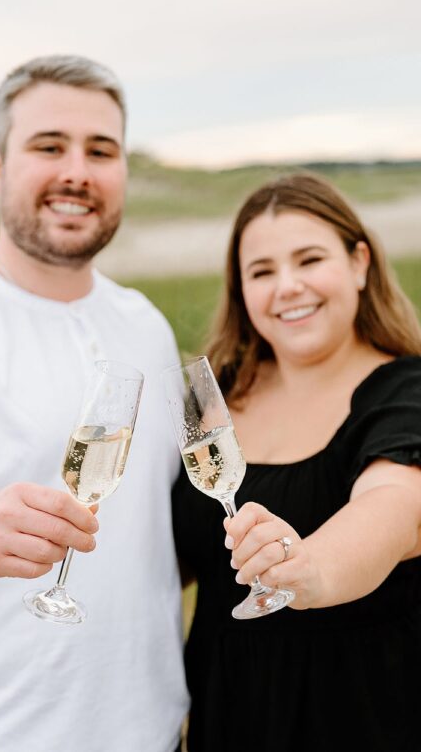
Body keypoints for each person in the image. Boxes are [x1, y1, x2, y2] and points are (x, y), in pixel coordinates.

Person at [0, 56, 188, 752]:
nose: (78, 171)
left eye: (102, 150)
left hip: (150, 731)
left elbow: (154, 532)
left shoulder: (147, 324)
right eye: (48, 146)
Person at [172, 173, 421, 751]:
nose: (287, 286)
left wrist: (307, 567)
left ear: (360, 263)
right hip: (226, 714)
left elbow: (393, 509)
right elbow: (174, 558)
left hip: (358, 717)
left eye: (309, 259)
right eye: (261, 271)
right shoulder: (211, 399)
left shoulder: (406, 390)